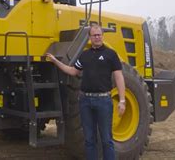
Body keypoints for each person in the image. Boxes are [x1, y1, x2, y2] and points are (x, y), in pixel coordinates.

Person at [46, 25, 126, 160]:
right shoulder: (84, 55)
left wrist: (122, 100)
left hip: (103, 101)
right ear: (89, 38)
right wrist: (55, 61)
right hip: (85, 102)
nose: (97, 37)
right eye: (94, 35)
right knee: (89, 140)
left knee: (106, 139)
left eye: (99, 34)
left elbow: (119, 77)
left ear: (103, 36)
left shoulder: (111, 54)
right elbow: (72, 71)